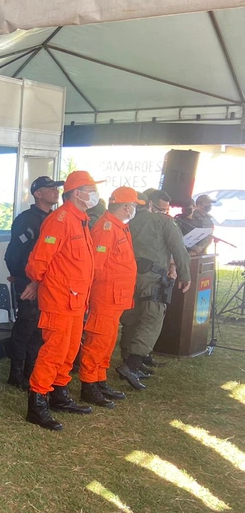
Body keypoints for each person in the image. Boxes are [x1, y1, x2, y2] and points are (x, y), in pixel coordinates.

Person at [23, 171, 101, 431]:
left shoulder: (81, 220)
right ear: (77, 193)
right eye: (90, 188)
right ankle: (38, 403)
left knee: (68, 351)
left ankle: (59, 394)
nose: (94, 194)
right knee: (53, 351)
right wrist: (41, 283)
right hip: (59, 298)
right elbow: (38, 262)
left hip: (77, 300)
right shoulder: (61, 219)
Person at [78, 187, 145, 408]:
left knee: (107, 341)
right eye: (134, 205)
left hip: (116, 297)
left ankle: (99, 379)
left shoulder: (119, 227)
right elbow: (95, 266)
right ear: (126, 207)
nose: (134, 209)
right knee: (97, 341)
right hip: (105, 296)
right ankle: (89, 385)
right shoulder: (106, 228)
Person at [117, 189, 191, 389]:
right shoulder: (164, 222)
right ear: (150, 204)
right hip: (154, 278)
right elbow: (179, 249)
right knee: (152, 319)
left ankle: (128, 360)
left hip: (130, 277)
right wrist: (185, 275)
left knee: (131, 318)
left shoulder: (127, 223)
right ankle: (132, 365)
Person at [4, 176, 62, 390]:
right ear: (38, 194)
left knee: (40, 328)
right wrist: (21, 278)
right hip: (29, 282)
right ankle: (16, 373)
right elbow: (13, 254)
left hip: (48, 283)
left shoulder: (57, 218)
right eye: (50, 188)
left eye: (57, 188)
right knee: (25, 326)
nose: (55, 191)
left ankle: (31, 370)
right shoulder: (27, 219)